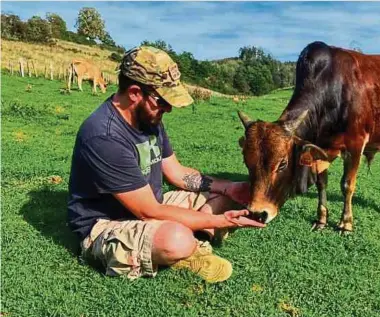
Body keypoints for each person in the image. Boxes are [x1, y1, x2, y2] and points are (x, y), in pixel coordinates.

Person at [67, 46, 265, 283]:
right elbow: (149, 211)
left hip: (152, 204)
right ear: (134, 93)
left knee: (232, 194)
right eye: (162, 101)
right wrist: (222, 220)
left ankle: (192, 237)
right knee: (176, 239)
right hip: (108, 224)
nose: (168, 108)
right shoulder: (104, 136)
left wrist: (228, 187)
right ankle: (187, 246)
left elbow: (177, 173)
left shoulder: (149, 118)